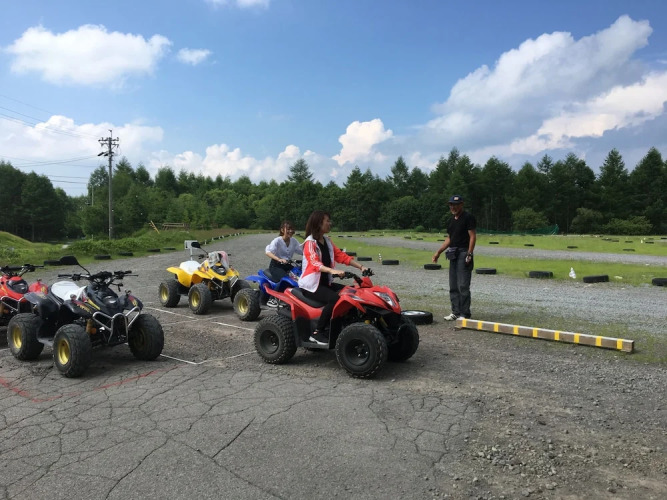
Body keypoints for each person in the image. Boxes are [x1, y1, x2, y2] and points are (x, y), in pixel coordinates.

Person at [298, 210, 367, 345]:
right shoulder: (310, 243)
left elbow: (341, 256)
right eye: (327, 221)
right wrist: (333, 271)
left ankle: (343, 326)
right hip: (312, 286)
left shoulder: (328, 241)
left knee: (351, 293)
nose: (330, 223)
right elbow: (314, 263)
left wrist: (361, 267)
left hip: (325, 283)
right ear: (319, 223)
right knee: (334, 299)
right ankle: (317, 333)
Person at [432, 194, 477, 321]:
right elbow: (449, 238)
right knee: (453, 285)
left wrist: (469, 253)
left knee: (463, 285)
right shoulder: (451, 220)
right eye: (451, 205)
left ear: (461, 204)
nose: (453, 207)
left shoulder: (468, 217)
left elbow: (472, 236)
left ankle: (464, 314)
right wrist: (438, 252)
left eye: (456, 205)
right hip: (453, 253)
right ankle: (455, 312)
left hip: (463, 252)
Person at [265, 220, 302, 307]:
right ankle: (272, 299)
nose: (290, 231)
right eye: (288, 229)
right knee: (286, 279)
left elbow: (302, 251)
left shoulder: (294, 241)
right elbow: (268, 252)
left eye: (292, 229)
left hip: (287, 265)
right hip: (276, 266)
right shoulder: (277, 241)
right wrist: (279, 259)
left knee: (299, 277)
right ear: (282, 230)